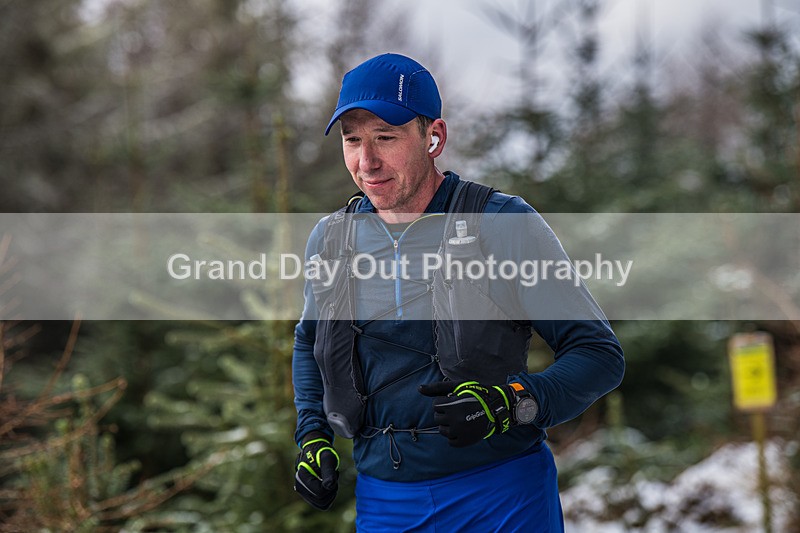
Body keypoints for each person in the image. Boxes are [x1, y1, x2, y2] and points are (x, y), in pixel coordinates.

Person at [292, 53, 624, 532]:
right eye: (352, 141)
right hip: (386, 503)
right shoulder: (332, 238)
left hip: (502, 496)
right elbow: (310, 342)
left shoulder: (503, 224)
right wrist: (312, 435)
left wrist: (511, 402)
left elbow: (598, 354)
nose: (367, 162)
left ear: (434, 137)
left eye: (385, 137)